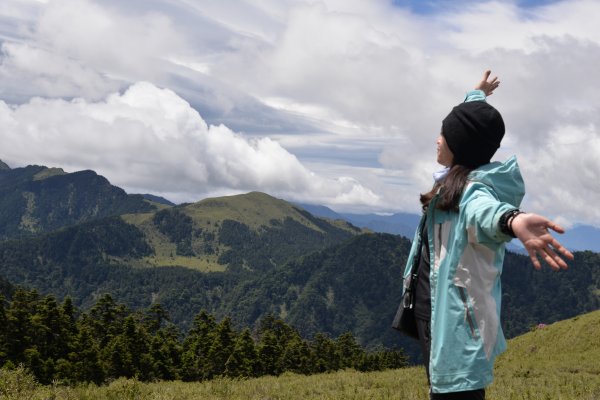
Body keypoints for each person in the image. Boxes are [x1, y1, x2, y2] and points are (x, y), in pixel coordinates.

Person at [402, 70, 574, 399]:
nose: (437, 139)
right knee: (438, 383)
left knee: (453, 390)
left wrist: (514, 220)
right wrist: (476, 94)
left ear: (460, 145)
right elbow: (469, 126)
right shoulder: (459, 174)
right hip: (433, 310)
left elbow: (486, 211)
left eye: (443, 134)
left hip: (456, 322)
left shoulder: (473, 190)